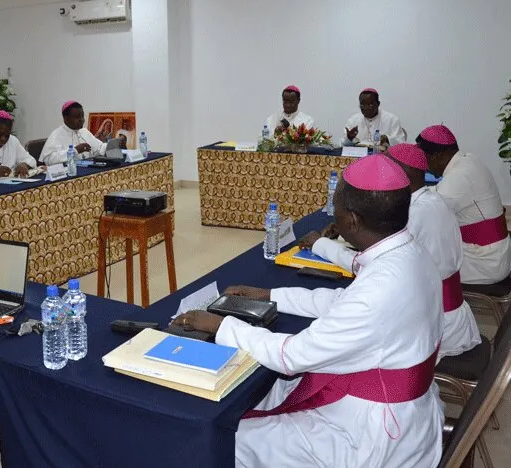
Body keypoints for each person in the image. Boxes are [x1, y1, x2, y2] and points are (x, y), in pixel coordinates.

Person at [176, 154, 443, 468]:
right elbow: (340, 303)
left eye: (336, 205)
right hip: (399, 408)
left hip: (371, 436)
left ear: (353, 221)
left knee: (230, 440)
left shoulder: (379, 288)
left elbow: (291, 356)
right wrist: (269, 295)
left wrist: (220, 326)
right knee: (270, 393)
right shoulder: (411, 252)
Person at [298, 144, 480, 359]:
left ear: (401, 175)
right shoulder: (433, 199)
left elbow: (364, 264)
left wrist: (320, 244)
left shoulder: (414, 212)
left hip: (434, 329)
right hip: (449, 315)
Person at [417, 125, 511, 284]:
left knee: (418, 262)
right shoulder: (468, 161)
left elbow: (426, 212)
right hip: (490, 251)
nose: (425, 166)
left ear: (438, 156)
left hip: (483, 261)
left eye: (424, 159)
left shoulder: (460, 175)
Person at [40, 101, 107, 166]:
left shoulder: (84, 131)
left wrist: (114, 145)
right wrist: (74, 150)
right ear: (65, 118)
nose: (82, 120)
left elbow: (100, 148)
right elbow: (48, 160)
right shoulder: (56, 135)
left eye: (82, 116)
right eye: (77, 117)